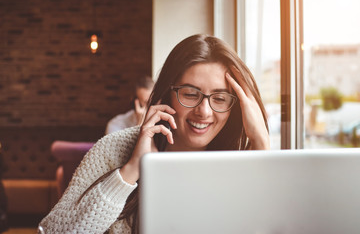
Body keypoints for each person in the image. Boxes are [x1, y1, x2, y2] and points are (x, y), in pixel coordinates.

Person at [38, 34, 270, 234]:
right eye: (190, 94)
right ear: (168, 93)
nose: (204, 111)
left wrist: (261, 143)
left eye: (219, 99)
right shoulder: (114, 149)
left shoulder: (240, 162)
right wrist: (131, 170)